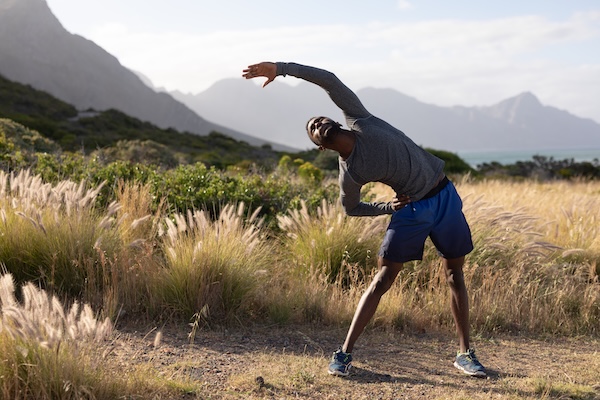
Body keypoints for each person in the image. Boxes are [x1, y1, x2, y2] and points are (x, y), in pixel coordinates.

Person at [242, 61, 486, 378]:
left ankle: (466, 354)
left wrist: (281, 68)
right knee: (383, 279)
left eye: (319, 119)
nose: (317, 123)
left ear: (334, 121)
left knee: (455, 274)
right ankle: (343, 355)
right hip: (412, 210)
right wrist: (389, 209)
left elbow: (329, 80)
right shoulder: (351, 173)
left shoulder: (361, 120)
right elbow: (352, 208)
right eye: (312, 128)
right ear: (319, 145)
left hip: (445, 195)